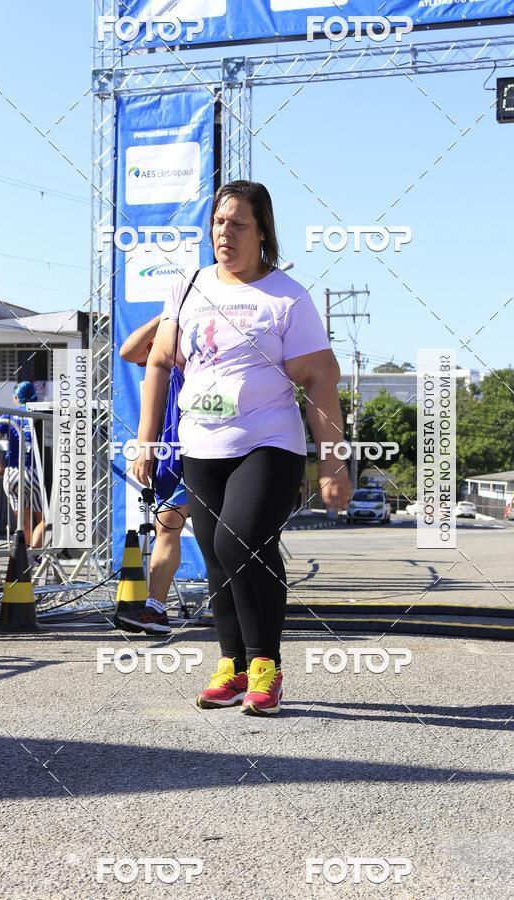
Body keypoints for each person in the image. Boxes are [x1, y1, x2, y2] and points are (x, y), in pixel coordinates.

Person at [132, 180, 351, 716]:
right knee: (214, 555)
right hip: (201, 445)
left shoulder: (285, 297)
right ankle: (231, 665)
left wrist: (332, 461)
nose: (224, 233)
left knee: (242, 543)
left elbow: (320, 378)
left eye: (238, 224)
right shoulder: (189, 286)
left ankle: (265, 667)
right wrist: (148, 441)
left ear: (262, 232)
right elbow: (158, 361)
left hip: (269, 444)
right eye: (218, 223)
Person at [117, 313, 190, 635]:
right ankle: (156, 608)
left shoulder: (223, 337)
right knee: (167, 525)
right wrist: (166, 315)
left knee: (230, 533)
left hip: (225, 446)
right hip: (175, 451)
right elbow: (129, 352)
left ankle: (243, 607)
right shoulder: (170, 341)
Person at [0, 381, 43, 548]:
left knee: (23, 524)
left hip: (12, 473)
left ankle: (24, 562)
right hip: (34, 472)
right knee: (45, 520)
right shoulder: (38, 412)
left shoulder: (8, 414)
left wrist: (0, 463)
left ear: (16, 398)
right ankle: (34, 557)